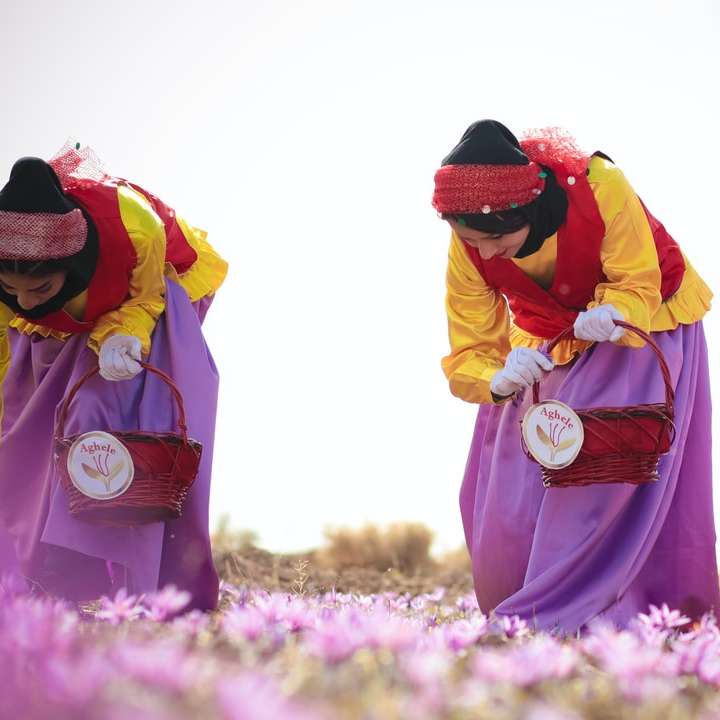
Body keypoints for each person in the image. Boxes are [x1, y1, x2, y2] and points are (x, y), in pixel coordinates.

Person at [432, 120, 719, 633]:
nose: (487, 252)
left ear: (525, 211)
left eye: (496, 237)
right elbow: (472, 344)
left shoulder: (602, 186)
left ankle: (590, 617)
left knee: (603, 464)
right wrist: (498, 376)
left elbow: (636, 282)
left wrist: (612, 314)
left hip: (643, 324)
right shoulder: (470, 239)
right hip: (550, 334)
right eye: (472, 239)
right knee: (508, 467)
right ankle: (520, 608)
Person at [0, 143, 227, 611]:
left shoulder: (134, 226)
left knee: (100, 416)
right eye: (10, 289)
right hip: (62, 326)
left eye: (40, 287)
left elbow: (144, 299)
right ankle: (38, 570)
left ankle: (103, 571)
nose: (24, 301)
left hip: (144, 298)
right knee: (33, 426)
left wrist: (124, 337)